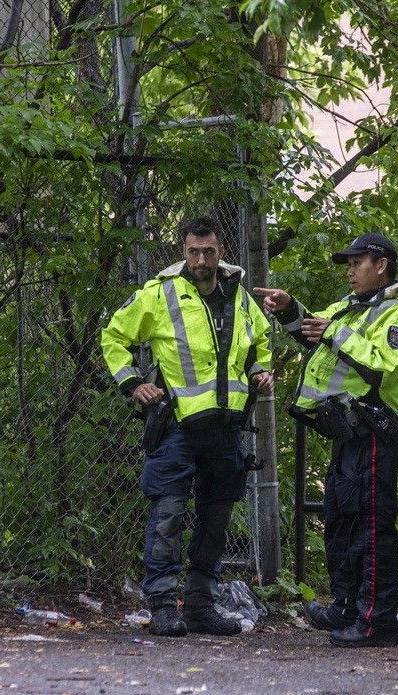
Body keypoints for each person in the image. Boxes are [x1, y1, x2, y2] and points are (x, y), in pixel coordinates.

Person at [254, 232, 398, 647]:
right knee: (339, 519)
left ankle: (376, 623)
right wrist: (289, 309)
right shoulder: (350, 307)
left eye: (357, 263)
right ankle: (347, 606)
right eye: (348, 264)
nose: (350, 271)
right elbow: (313, 329)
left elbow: (381, 367)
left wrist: (334, 332)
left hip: (373, 432)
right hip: (346, 431)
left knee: (371, 527)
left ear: (381, 265)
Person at [101, 216, 273, 637]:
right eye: (194, 252)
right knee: (169, 515)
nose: (201, 260)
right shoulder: (160, 294)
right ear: (183, 251)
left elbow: (259, 343)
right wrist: (133, 383)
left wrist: (260, 370)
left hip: (227, 427)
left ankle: (200, 607)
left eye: (208, 252)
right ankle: (162, 606)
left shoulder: (239, 296)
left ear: (220, 252)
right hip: (177, 425)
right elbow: (113, 336)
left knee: (216, 519)